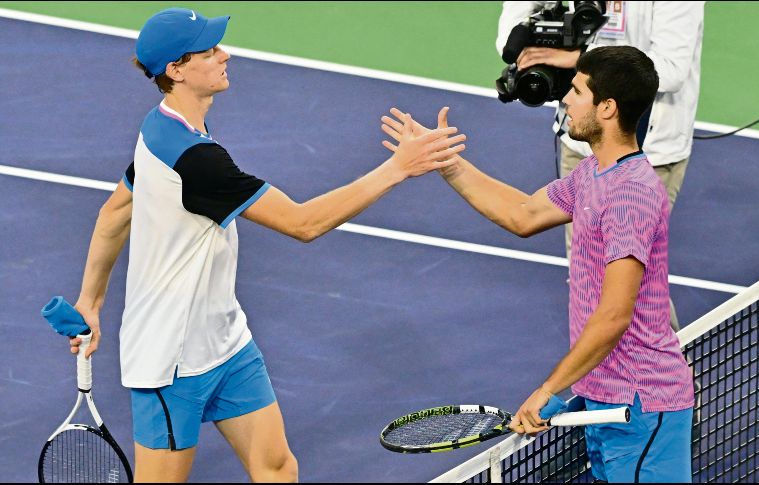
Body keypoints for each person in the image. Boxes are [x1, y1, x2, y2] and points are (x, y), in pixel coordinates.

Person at [66, 7, 465, 483]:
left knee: (277, 468)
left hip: (227, 343)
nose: (224, 54)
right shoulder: (196, 160)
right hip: (169, 363)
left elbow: (115, 211)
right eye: (209, 51)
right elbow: (304, 222)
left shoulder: (161, 127)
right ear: (176, 70)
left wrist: (90, 301)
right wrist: (398, 167)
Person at [381, 46, 694, 483]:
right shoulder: (594, 174)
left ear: (607, 108)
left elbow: (614, 316)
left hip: (640, 407)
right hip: (604, 398)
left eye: (578, 90)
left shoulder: (630, 194)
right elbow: (524, 214)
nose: (566, 97)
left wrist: (549, 388)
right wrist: (445, 162)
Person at [497, 1, 705, 331]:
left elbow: (670, 69)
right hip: (582, 143)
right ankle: (617, 377)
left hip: (648, 153)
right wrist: (523, 43)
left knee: (630, 289)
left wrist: (579, 61)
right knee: (590, 278)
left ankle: (672, 377)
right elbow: (513, 28)